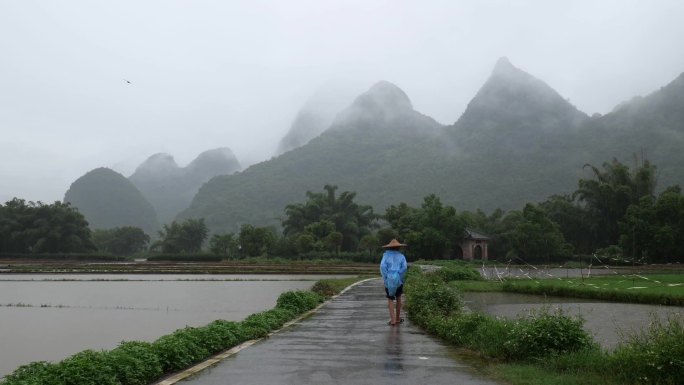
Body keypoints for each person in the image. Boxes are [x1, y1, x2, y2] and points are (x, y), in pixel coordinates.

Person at [380, 239, 408, 326]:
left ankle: (392, 320)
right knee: (399, 298)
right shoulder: (401, 256)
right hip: (398, 280)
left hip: (389, 279)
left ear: (390, 247)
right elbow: (405, 267)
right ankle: (397, 318)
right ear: (399, 247)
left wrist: (386, 277)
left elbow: (382, 266)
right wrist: (399, 275)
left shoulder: (386, 256)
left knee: (390, 299)